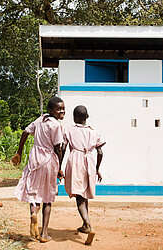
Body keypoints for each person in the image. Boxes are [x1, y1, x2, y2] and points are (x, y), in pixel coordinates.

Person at [11, 97, 66, 243]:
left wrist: (19, 152)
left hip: (34, 158)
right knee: (47, 197)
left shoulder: (40, 120)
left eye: (63, 108)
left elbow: (25, 133)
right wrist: (60, 168)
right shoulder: (56, 125)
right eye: (59, 109)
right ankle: (44, 234)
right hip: (48, 160)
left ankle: (33, 213)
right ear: (50, 110)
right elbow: (59, 148)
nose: (62, 111)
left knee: (34, 191)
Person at [63, 105, 105, 245]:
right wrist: (97, 169)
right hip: (90, 161)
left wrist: (58, 165)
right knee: (84, 194)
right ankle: (85, 225)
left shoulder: (69, 129)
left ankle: (89, 224)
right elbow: (100, 152)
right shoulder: (94, 132)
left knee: (79, 197)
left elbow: (63, 148)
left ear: (74, 117)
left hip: (76, 160)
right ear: (87, 117)